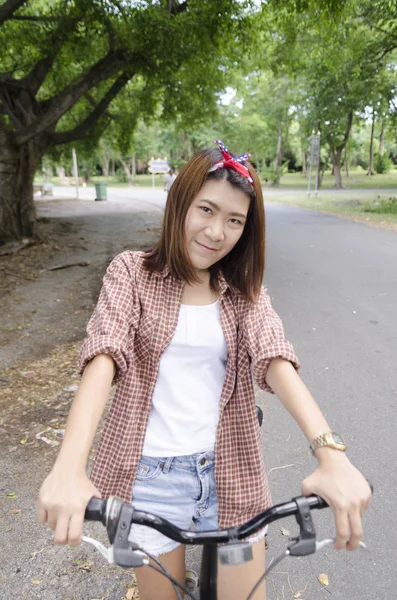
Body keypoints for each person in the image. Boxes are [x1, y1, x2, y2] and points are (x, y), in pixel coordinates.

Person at [37, 140, 371, 600]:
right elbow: (104, 354)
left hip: (232, 468)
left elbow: (273, 356)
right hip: (152, 476)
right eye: (207, 210)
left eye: (235, 220)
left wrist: (330, 454)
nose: (217, 232)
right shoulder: (131, 274)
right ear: (180, 204)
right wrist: (70, 466)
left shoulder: (242, 293)